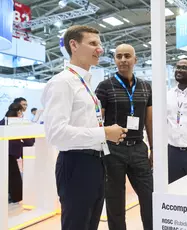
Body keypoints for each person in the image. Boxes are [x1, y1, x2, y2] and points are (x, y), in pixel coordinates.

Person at [41, 25, 128, 230]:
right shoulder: (62, 82)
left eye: (99, 44)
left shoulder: (85, 83)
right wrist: (104, 133)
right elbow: (56, 134)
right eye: (93, 43)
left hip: (95, 163)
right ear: (73, 45)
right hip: (75, 164)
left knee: (91, 223)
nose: (100, 49)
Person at [95, 43, 153, 230]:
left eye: (127, 56)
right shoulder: (105, 86)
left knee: (149, 197)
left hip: (138, 148)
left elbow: (149, 121)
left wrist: (154, 148)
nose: (123, 60)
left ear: (135, 60)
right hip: (113, 150)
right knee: (114, 201)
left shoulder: (145, 86)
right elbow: (97, 120)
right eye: (119, 56)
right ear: (114, 60)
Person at [0, 103, 35, 203]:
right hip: (10, 154)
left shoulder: (4, 121)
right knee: (14, 176)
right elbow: (29, 141)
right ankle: (16, 197)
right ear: (19, 112)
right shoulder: (18, 123)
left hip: (4, 152)